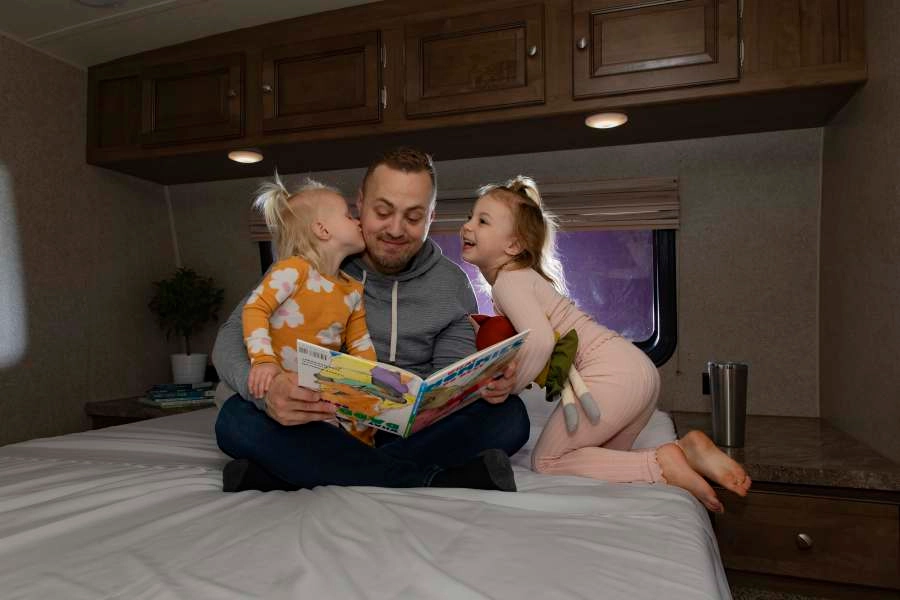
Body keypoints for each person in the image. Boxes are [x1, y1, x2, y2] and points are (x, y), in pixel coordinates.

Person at [213, 148, 529, 493]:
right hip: (324, 421)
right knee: (234, 420)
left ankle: (290, 472)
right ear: (360, 204)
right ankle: (431, 479)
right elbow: (230, 339)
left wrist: (482, 381)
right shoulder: (317, 262)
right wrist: (269, 393)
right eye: (382, 211)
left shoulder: (450, 284)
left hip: (414, 431)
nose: (395, 229)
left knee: (510, 416)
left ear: (431, 216)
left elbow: (450, 377)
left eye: (413, 217)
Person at [459, 175, 752, 512]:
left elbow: (539, 343)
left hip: (610, 375)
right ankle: (687, 452)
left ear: (513, 246)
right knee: (603, 461)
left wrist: (511, 388)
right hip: (634, 369)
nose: (468, 226)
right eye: (469, 216)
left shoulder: (509, 282)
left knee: (549, 461)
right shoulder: (523, 280)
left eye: (482, 221)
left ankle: (660, 466)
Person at [242, 175, 376, 445]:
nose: (358, 221)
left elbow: (361, 344)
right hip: (289, 390)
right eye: (349, 216)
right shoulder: (293, 270)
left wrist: (370, 382)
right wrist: (263, 360)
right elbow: (254, 309)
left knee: (351, 431)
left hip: (324, 388)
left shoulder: (352, 289)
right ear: (322, 229)